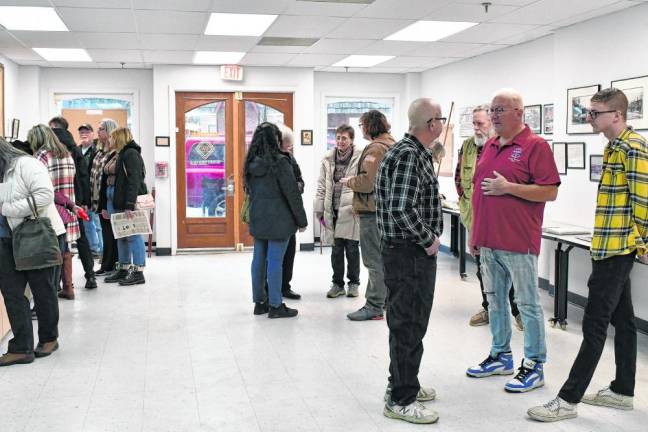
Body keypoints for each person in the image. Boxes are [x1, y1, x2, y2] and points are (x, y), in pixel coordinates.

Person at [528, 88, 648, 422]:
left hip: (618, 250)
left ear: (617, 115)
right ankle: (623, 391)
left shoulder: (634, 148)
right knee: (622, 321)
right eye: (589, 112)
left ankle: (568, 399)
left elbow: (644, 202)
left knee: (594, 324)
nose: (589, 118)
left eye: (595, 113)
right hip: (607, 246)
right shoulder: (614, 147)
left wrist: (646, 243)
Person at [465, 89, 560, 393]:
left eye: (500, 110)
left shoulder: (535, 146)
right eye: (492, 110)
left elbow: (549, 191)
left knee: (527, 304)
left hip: (518, 242)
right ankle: (500, 355)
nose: (494, 116)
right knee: (494, 301)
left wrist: (510, 187)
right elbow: (479, 192)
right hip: (488, 241)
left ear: (519, 112)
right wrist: (475, 233)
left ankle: (534, 365)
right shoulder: (490, 144)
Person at [375, 98, 444, 424]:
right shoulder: (409, 155)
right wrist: (428, 240)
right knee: (409, 325)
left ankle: (402, 384)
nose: (442, 124)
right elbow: (403, 208)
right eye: (440, 119)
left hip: (403, 253)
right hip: (409, 254)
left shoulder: (413, 152)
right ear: (431, 124)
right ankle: (402, 399)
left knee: (406, 324)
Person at [454, 105, 523, 330]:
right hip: (475, 218)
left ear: (492, 124)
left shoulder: (504, 147)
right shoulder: (467, 146)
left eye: (480, 123)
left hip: (501, 220)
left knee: (507, 267)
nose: (476, 128)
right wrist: (468, 210)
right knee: (482, 267)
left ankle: (517, 311)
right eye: (474, 123)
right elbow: (460, 179)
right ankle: (489, 308)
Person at [0, 137, 64, 366]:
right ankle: (21, 347)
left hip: (33, 234)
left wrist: (8, 208)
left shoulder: (26, 165)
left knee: (42, 289)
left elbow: (44, 195)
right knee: (12, 293)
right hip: (4, 240)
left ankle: (49, 338)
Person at [245, 122, 307, 318]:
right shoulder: (281, 162)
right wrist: (302, 220)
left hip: (258, 218)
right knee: (275, 262)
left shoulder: (251, 163)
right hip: (280, 221)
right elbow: (292, 194)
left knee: (258, 261)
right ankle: (276, 305)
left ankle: (259, 302)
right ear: (276, 139)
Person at [341, 110, 395, 321]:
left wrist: (350, 181)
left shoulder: (376, 148)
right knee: (386, 259)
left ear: (370, 126)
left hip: (373, 212)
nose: (361, 128)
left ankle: (374, 305)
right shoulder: (392, 143)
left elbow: (368, 182)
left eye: (362, 124)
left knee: (374, 261)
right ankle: (387, 300)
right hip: (386, 211)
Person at [29, 124, 81, 300]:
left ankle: (52, 290)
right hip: (68, 206)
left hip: (51, 207)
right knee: (66, 249)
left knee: (52, 252)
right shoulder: (66, 154)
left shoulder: (42, 156)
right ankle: (69, 287)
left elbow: (38, 183)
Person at [49, 116, 97, 290]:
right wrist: (84, 200)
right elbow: (83, 176)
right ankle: (90, 275)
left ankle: (60, 284)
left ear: (54, 127)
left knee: (57, 240)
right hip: (75, 199)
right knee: (81, 237)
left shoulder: (49, 148)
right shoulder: (74, 149)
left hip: (55, 200)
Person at [315, 124, 362, 298]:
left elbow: (363, 182)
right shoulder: (327, 158)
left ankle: (354, 283)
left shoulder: (360, 157)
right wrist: (319, 208)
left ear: (351, 140)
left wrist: (360, 205)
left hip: (351, 210)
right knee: (336, 250)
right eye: (338, 138)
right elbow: (321, 185)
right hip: (332, 209)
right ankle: (337, 284)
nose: (341, 141)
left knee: (352, 248)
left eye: (345, 138)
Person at [104, 127, 148, 286]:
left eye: (112, 137)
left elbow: (134, 180)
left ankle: (138, 272)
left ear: (119, 138)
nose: (109, 140)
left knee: (133, 236)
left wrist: (130, 204)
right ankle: (123, 268)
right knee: (121, 236)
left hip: (126, 201)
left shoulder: (131, 154)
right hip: (116, 200)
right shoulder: (119, 154)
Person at [273, 124, 305, 300]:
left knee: (289, 254)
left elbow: (299, 181)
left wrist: (297, 186)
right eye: (287, 144)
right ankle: (271, 289)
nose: (289, 147)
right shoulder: (269, 160)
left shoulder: (290, 159)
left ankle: (285, 286)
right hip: (275, 216)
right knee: (274, 257)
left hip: (289, 216)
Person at [92, 119, 119, 276]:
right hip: (98, 199)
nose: (98, 131)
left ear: (109, 131)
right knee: (105, 233)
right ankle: (106, 263)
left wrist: (103, 203)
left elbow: (105, 180)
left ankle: (110, 265)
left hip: (107, 200)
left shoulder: (114, 153)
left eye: (101, 129)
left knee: (111, 234)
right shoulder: (100, 150)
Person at [78, 123, 102, 258]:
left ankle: (102, 250)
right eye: (81, 132)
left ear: (92, 134)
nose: (84, 134)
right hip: (82, 193)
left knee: (98, 223)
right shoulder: (76, 150)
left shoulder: (97, 150)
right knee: (86, 222)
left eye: (87, 131)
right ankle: (92, 249)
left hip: (95, 192)